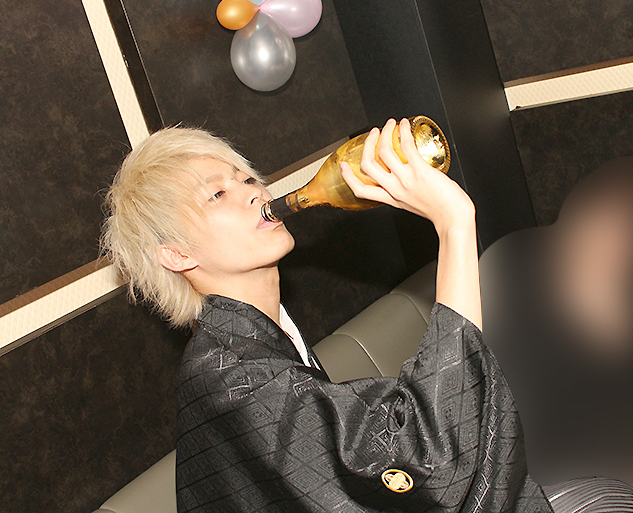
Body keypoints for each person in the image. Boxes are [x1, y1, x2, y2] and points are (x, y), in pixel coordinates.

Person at [102, 119, 553, 512]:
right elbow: (424, 456)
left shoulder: (260, 336)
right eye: (217, 194)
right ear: (177, 254)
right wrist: (454, 224)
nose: (253, 193)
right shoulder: (233, 380)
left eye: (247, 179)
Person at [480, 157, 633, 512]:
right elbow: (515, 431)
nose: (608, 246)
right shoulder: (511, 275)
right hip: (566, 481)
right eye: (597, 228)